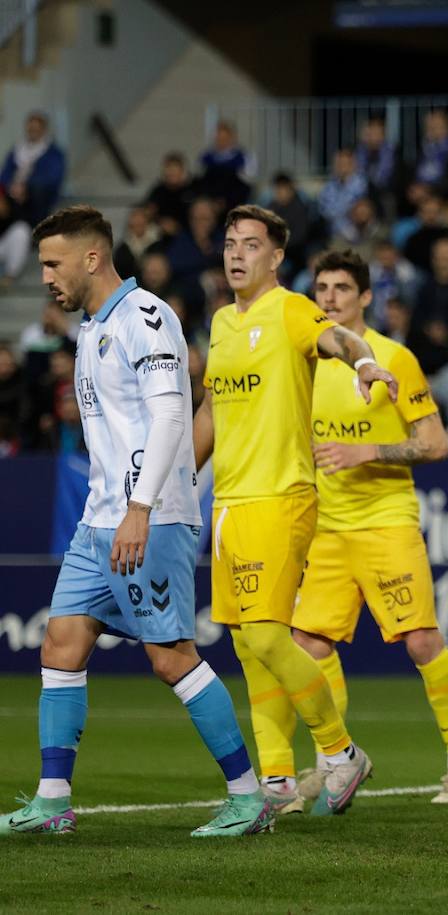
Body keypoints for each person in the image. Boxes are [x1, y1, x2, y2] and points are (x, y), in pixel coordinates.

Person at [0, 206, 271, 837]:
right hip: (98, 522)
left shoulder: (146, 319)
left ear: (92, 258)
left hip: (149, 518)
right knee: (61, 643)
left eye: (52, 263)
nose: (44, 277)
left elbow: (171, 419)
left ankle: (248, 796)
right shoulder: (92, 327)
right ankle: (52, 800)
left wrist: (140, 509)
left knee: (171, 657)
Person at [191, 205, 397, 817]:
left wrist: (362, 362)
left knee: (264, 633)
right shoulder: (223, 321)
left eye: (250, 245)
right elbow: (210, 412)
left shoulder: (290, 308)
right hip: (230, 501)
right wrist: (176, 481)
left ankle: (339, 753)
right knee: (247, 645)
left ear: (275, 257)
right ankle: (277, 780)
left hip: (280, 495)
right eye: (230, 244)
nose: (236, 254)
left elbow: (339, 337)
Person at [285, 249, 448, 807]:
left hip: (386, 520)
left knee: (421, 641)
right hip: (325, 527)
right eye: (321, 286)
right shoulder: (307, 361)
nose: (329, 297)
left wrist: (368, 451)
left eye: (342, 287)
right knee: (307, 642)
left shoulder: (395, 358)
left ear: (366, 296)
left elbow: (436, 443)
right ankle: (334, 762)